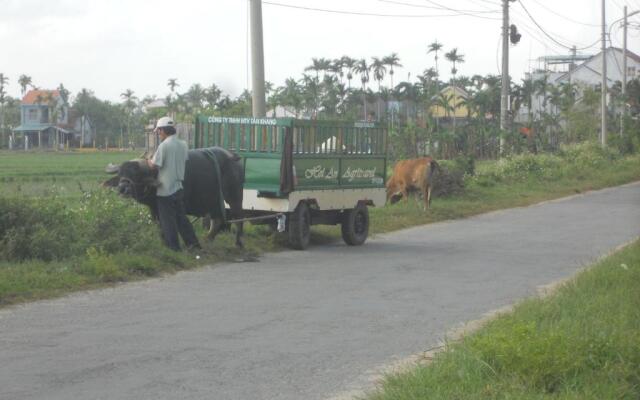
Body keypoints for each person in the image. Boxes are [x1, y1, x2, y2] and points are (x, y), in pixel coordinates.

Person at [148, 117, 200, 251]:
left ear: (162, 130)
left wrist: (148, 161)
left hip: (165, 190)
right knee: (182, 219)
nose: (158, 134)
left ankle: (174, 249)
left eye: (158, 131)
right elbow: (184, 160)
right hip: (178, 187)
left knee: (168, 222)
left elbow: (154, 166)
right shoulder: (183, 144)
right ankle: (193, 245)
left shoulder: (164, 146)